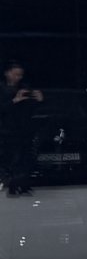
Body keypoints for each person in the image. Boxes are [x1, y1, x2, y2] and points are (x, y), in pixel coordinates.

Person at [2, 61, 43, 196]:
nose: (18, 78)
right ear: (7, 73)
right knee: (12, 159)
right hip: (7, 130)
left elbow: (30, 110)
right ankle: (13, 186)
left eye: (20, 75)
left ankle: (23, 184)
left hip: (24, 129)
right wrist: (14, 100)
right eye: (15, 74)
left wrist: (38, 100)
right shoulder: (2, 89)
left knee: (26, 158)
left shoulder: (24, 88)